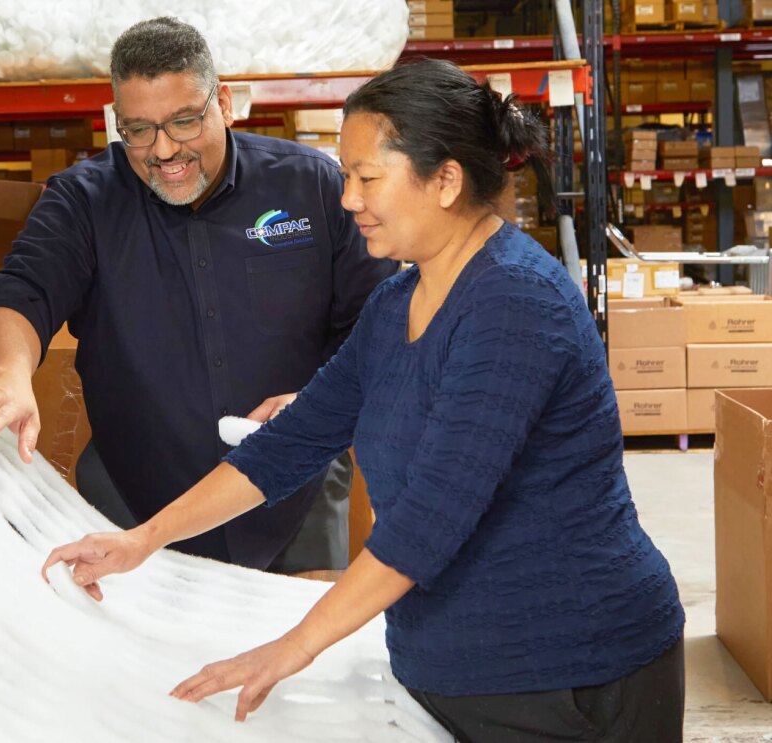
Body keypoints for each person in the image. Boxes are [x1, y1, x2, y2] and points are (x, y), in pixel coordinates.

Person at [42, 58, 686, 743]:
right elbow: (292, 441)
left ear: (445, 179)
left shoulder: (514, 304)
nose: (347, 200)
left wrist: (289, 648)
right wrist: (141, 540)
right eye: (345, 175)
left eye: (367, 177)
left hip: (569, 674)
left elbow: (426, 524)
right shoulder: (396, 303)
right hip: (456, 673)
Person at [0, 17, 397, 573]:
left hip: (295, 496)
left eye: (184, 122)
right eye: (138, 130)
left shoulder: (311, 187)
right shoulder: (83, 202)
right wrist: (8, 377)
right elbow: (21, 291)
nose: (164, 150)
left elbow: (379, 321)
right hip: (133, 505)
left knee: (298, 648)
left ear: (226, 103)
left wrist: (316, 401)